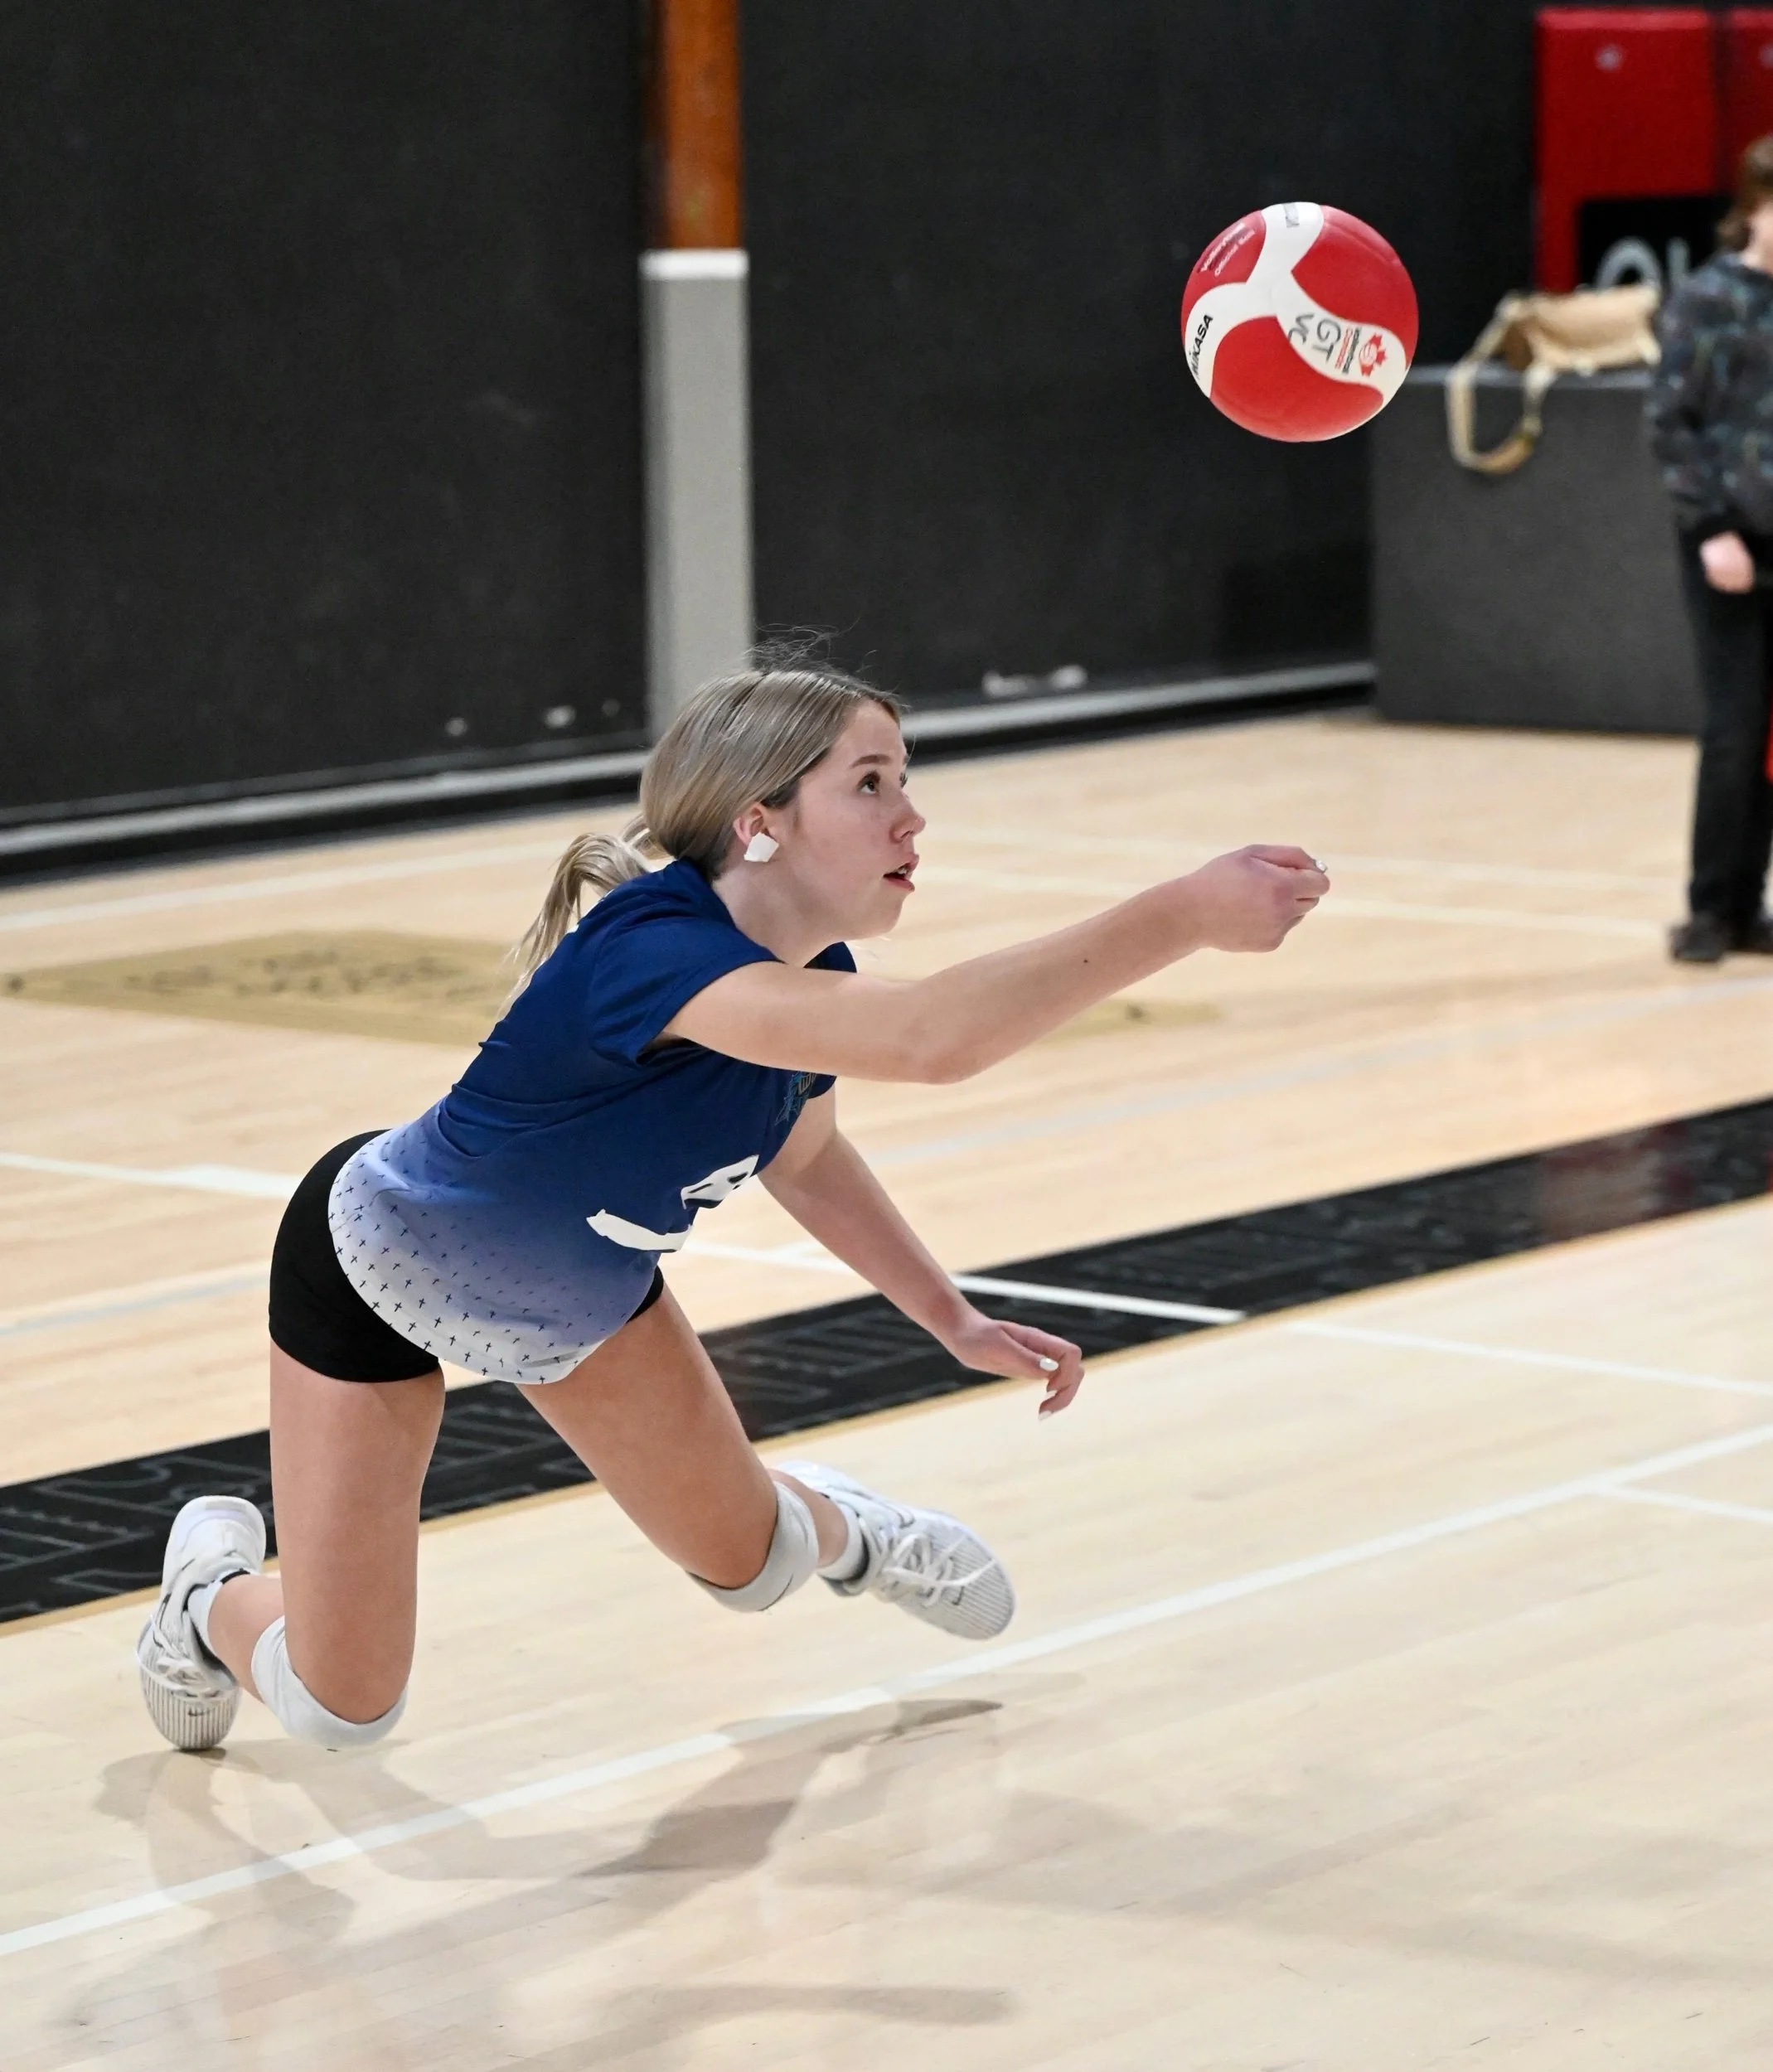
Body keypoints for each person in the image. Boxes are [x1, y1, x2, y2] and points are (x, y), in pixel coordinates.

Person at [135, 666, 1330, 1754]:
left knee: (753, 1575)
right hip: (371, 1268)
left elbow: (804, 1156)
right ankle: (207, 1595)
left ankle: (844, 1529)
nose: (909, 816)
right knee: (343, 1711)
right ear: (758, 823)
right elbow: (933, 1040)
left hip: (582, 1304)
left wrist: (945, 1315)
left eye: (906, 781)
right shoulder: (652, 950)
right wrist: (1179, 913)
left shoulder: (816, 981)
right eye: (869, 784)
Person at [1648, 135, 1773, 963]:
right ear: (1758, 205)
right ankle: (1707, 907)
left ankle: (1749, 904)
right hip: (1733, 542)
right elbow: (1670, 422)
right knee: (1733, 728)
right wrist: (1711, 528)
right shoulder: (1707, 299)